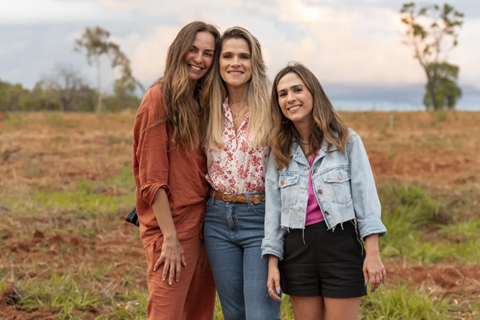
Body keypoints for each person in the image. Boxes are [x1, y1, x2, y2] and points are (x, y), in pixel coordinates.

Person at [261, 62, 387, 320]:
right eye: (282, 94)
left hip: (341, 246)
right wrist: (273, 263)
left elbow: (366, 199)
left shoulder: (346, 140)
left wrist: (372, 253)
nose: (290, 98)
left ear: (313, 93)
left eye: (297, 89)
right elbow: (273, 212)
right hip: (297, 250)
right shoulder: (279, 151)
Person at [132, 21, 220, 320]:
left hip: (205, 222)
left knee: (199, 311)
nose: (199, 58)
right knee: (166, 312)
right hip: (173, 225)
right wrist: (170, 238)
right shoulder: (159, 98)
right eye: (193, 50)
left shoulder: (202, 101)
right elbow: (152, 179)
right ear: (179, 50)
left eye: (208, 53)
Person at [202, 27, 281, 320]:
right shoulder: (206, 107)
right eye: (228, 56)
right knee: (234, 314)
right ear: (218, 63)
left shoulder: (272, 108)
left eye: (243, 56)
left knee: (261, 314)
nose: (236, 63)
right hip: (216, 219)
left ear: (254, 62)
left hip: (259, 216)